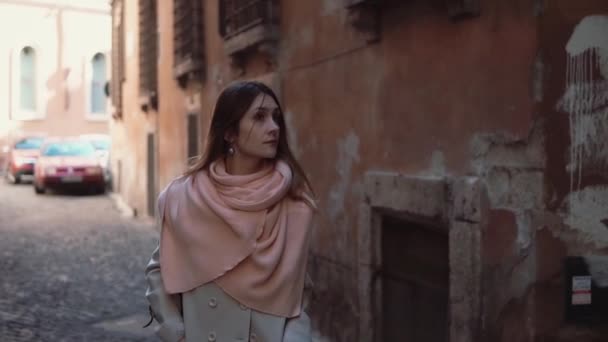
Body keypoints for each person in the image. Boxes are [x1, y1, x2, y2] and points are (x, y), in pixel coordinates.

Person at [145, 81, 316, 342]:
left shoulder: (294, 202)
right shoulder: (185, 197)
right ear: (229, 134)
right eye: (259, 117)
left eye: (275, 117)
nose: (274, 127)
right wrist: (174, 331)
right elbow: (160, 270)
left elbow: (299, 293)